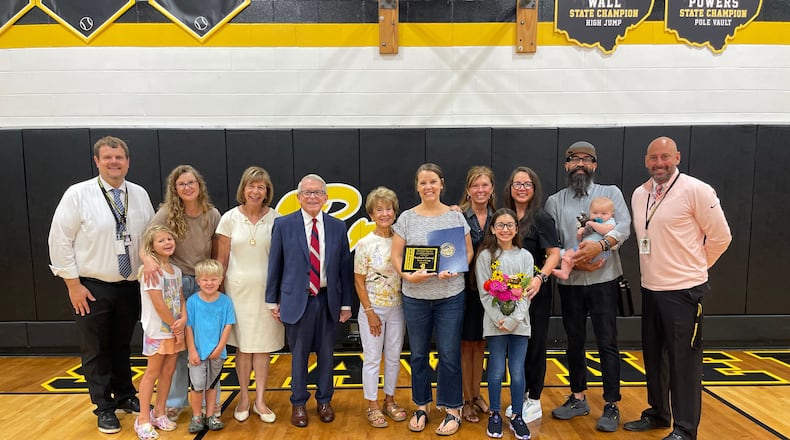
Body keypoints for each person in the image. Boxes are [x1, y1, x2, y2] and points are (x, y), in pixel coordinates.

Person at [624, 136, 731, 440]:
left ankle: (685, 429)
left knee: (684, 362)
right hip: (651, 288)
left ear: (677, 157)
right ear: (646, 161)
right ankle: (658, 413)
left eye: (665, 157)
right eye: (654, 158)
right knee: (654, 357)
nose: (660, 163)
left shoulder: (696, 190)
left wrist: (695, 268)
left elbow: (722, 238)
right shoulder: (639, 194)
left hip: (684, 292)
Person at [48, 136, 154, 434]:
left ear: (128, 161)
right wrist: (72, 285)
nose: (114, 162)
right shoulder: (78, 194)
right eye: (107, 158)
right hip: (92, 286)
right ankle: (103, 407)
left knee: (122, 346)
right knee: (95, 349)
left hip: (130, 285)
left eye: (119, 157)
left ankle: (124, 395)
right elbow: (60, 240)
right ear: (97, 161)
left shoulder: (139, 194)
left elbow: (148, 236)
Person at [544, 141, 631, 432]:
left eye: (586, 159)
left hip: (604, 280)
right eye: (573, 159)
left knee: (607, 342)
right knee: (575, 341)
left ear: (594, 165)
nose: (580, 164)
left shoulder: (611, 193)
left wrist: (601, 247)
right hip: (572, 283)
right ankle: (578, 397)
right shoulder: (555, 201)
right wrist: (577, 259)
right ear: (566, 165)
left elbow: (625, 227)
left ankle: (611, 403)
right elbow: (552, 242)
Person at [390, 163, 473, 436]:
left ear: (442, 184)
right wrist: (407, 276)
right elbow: (397, 257)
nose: (428, 187)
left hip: (450, 296)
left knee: (449, 355)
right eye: (423, 182)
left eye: (433, 181)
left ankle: (452, 408)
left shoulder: (454, 216)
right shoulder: (406, 218)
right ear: (417, 186)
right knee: (418, 355)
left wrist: (458, 266)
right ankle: (422, 405)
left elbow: (468, 252)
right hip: (415, 296)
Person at [265, 173, 354, 428]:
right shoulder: (284, 225)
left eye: (317, 193)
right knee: (299, 355)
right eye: (307, 192)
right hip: (297, 301)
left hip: (328, 300)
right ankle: (299, 403)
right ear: (298, 197)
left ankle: (325, 401)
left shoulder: (338, 226)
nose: (312, 197)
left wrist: (346, 304)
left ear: (326, 198)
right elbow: (276, 264)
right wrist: (273, 300)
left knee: (327, 355)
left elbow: (344, 268)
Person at [142, 165, 221, 421]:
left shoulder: (212, 214)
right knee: (177, 349)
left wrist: (217, 280)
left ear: (200, 185)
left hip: (204, 285)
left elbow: (219, 250)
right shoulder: (166, 213)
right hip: (175, 285)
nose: (187, 187)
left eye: (191, 183)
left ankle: (213, 402)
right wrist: (149, 260)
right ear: (174, 189)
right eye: (181, 184)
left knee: (207, 345)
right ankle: (175, 402)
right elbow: (146, 243)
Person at [217, 166, 284, 423]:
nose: (256, 191)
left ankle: (260, 401)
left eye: (261, 186)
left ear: (267, 191)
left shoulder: (277, 219)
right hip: (237, 293)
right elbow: (221, 260)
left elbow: (283, 260)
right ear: (243, 189)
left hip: (268, 294)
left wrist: (280, 294)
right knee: (243, 348)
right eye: (251, 186)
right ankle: (244, 398)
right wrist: (220, 296)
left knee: (263, 348)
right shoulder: (229, 218)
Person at [502, 166, 561, 424]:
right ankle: (520, 394)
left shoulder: (542, 218)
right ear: (510, 188)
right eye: (517, 184)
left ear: (534, 188)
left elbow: (554, 254)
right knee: (515, 347)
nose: (522, 188)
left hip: (535, 293)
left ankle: (534, 398)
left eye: (527, 184)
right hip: (508, 295)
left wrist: (540, 278)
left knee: (535, 345)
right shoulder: (504, 216)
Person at [474, 208, 534, 440]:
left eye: (510, 225)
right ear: (492, 229)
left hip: (519, 323)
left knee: (517, 372)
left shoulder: (525, 257)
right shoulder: (485, 257)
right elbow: (485, 294)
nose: (505, 229)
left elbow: (525, 293)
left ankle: (517, 415)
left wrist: (513, 320)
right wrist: (499, 319)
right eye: (500, 225)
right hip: (494, 323)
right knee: (497, 371)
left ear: (516, 229)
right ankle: (495, 414)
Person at [354, 187, 406, 428]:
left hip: (398, 308)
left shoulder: (402, 240)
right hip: (372, 309)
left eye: (389, 208)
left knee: (394, 357)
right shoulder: (365, 243)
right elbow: (359, 280)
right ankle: (372, 405)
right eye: (379, 209)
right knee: (373, 358)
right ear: (371, 213)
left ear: (395, 211)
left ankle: (390, 400)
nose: (384, 213)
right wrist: (369, 312)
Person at [134, 225, 185, 440]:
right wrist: (175, 325)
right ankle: (143, 418)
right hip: (158, 331)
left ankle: (160, 412)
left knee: (169, 371)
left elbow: (180, 298)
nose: (167, 243)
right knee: (152, 372)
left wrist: (183, 319)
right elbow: (158, 304)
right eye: (161, 240)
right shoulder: (151, 272)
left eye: (169, 239)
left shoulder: (177, 270)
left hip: (174, 330)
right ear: (151, 246)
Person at [457, 166, 494, 424]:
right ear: (468, 190)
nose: (480, 190)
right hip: (463, 288)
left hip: (490, 290)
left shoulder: (500, 216)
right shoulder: (457, 215)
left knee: (481, 344)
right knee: (465, 345)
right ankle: (465, 398)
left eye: (485, 185)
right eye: (475, 186)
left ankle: (477, 392)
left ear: (491, 188)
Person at [185, 259, 236, 433]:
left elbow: (228, 325)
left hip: (217, 353)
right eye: (205, 280)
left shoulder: (226, 302)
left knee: (212, 385)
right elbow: (188, 327)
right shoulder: (192, 302)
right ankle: (197, 416)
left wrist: (220, 347)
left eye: (213, 279)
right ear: (198, 281)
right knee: (197, 386)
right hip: (197, 353)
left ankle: (211, 415)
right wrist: (192, 349)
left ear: (221, 280)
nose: (209, 283)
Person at [552, 196, 616, 280]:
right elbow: (580, 239)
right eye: (595, 213)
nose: (599, 216)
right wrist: (580, 232)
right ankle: (565, 271)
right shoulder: (591, 222)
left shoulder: (609, 221)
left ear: (612, 214)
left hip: (597, 250)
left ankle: (568, 265)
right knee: (567, 254)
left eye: (603, 213)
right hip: (581, 247)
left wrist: (592, 224)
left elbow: (606, 230)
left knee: (572, 256)